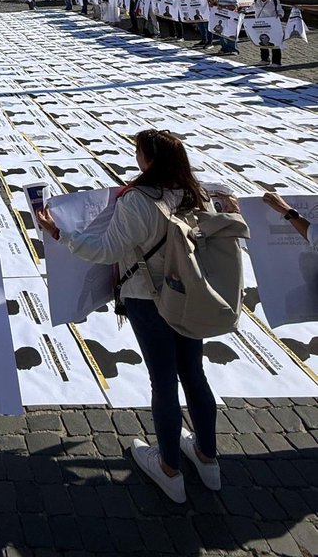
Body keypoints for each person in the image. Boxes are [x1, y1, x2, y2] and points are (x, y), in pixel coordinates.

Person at [36, 130, 223, 505]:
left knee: (163, 381)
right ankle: (207, 457)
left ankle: (170, 469)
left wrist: (59, 234)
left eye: (138, 153)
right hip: (188, 295)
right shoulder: (195, 194)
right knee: (193, 372)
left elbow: (106, 251)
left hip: (148, 299)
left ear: (149, 160)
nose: (135, 158)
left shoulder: (137, 201)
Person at [252, 0, 284, 66]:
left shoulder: (274, 1)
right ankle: (265, 59)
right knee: (262, 42)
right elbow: (252, 9)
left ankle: (276, 62)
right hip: (261, 25)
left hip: (272, 25)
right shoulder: (256, 1)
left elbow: (281, 11)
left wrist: (279, 15)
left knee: (275, 43)